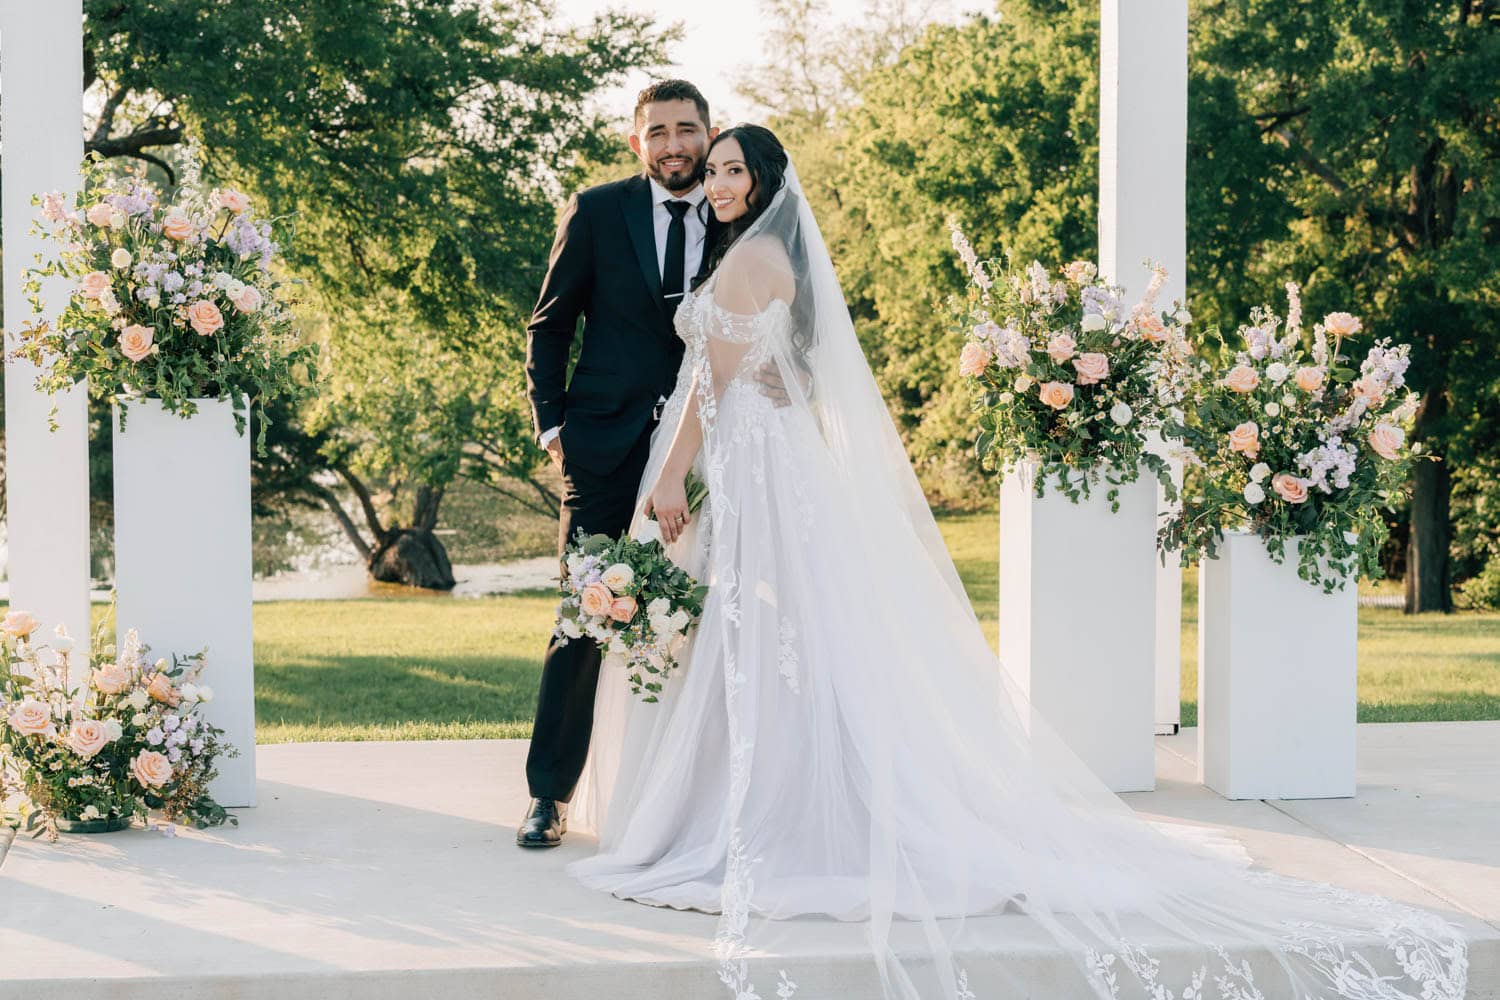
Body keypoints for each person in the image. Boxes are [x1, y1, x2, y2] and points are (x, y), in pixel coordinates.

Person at [564, 125, 1468, 1000]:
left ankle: (779, 816)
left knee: (765, 633)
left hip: (752, 458)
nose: (718, 184)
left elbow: (714, 382)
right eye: (712, 172)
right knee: (770, 632)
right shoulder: (761, 256)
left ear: (762, 179)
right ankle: (764, 801)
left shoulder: (754, 258)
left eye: (732, 171)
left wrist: (674, 473)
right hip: (761, 453)